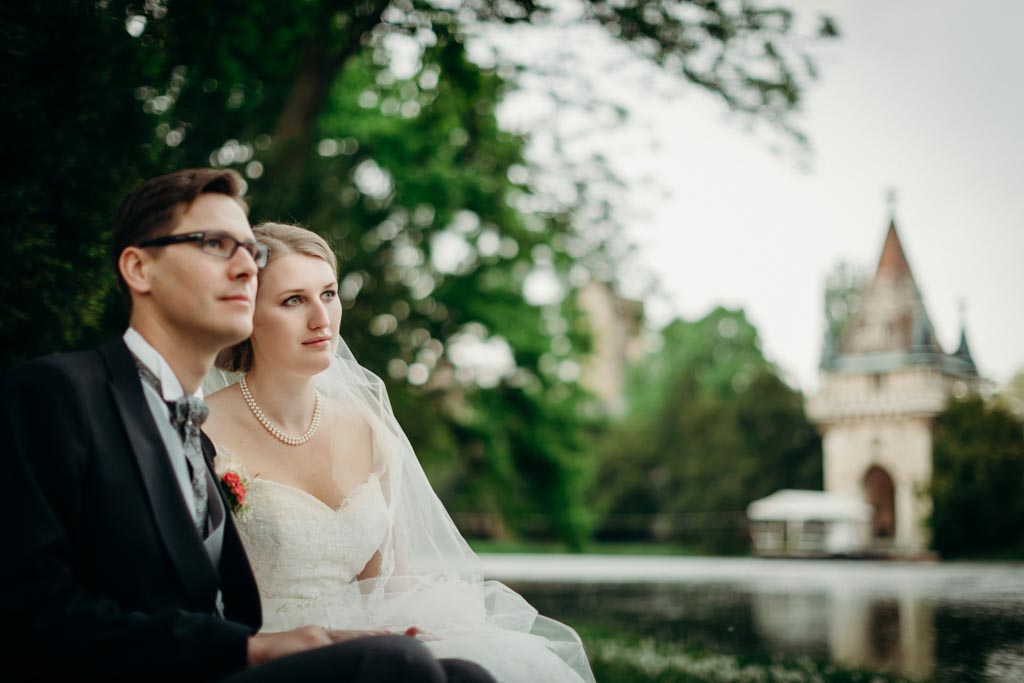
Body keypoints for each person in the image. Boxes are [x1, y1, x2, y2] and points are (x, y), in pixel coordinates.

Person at [0, 169, 492, 682]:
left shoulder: (195, 432)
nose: (244, 267)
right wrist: (253, 650)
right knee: (401, 665)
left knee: (464, 676)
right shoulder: (59, 393)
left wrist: (324, 640)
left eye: (249, 251)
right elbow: (29, 616)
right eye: (214, 244)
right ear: (139, 269)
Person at [203, 222, 596, 683]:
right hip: (266, 650)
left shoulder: (367, 428)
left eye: (328, 294)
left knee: (477, 674)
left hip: (363, 643)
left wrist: (401, 629)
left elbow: (386, 584)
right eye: (293, 300)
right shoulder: (203, 429)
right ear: (247, 314)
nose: (321, 319)